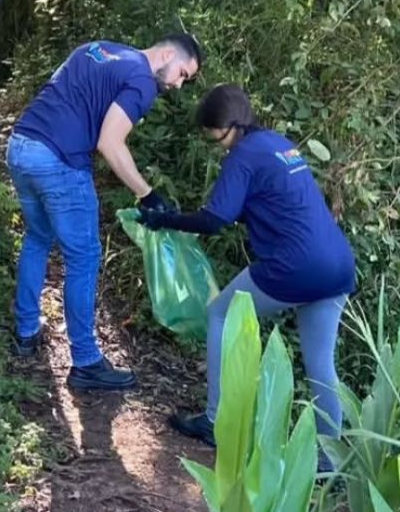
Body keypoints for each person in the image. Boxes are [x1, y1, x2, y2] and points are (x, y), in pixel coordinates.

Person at [137, 84, 355, 469]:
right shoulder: (277, 143)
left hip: (295, 266)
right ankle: (330, 459)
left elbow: (214, 219)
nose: (210, 140)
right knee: (320, 362)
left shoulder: (242, 156)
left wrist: (166, 219)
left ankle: (215, 420)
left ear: (226, 126)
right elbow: (264, 202)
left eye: (210, 132)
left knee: (221, 312)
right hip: (337, 264)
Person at [9, 34, 204, 391]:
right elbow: (109, 142)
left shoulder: (98, 49)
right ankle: (85, 361)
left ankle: (26, 333)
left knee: (38, 237)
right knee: (84, 257)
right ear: (165, 54)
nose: (177, 85)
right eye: (182, 74)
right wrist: (146, 193)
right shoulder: (142, 80)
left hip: (22, 146)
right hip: (59, 161)